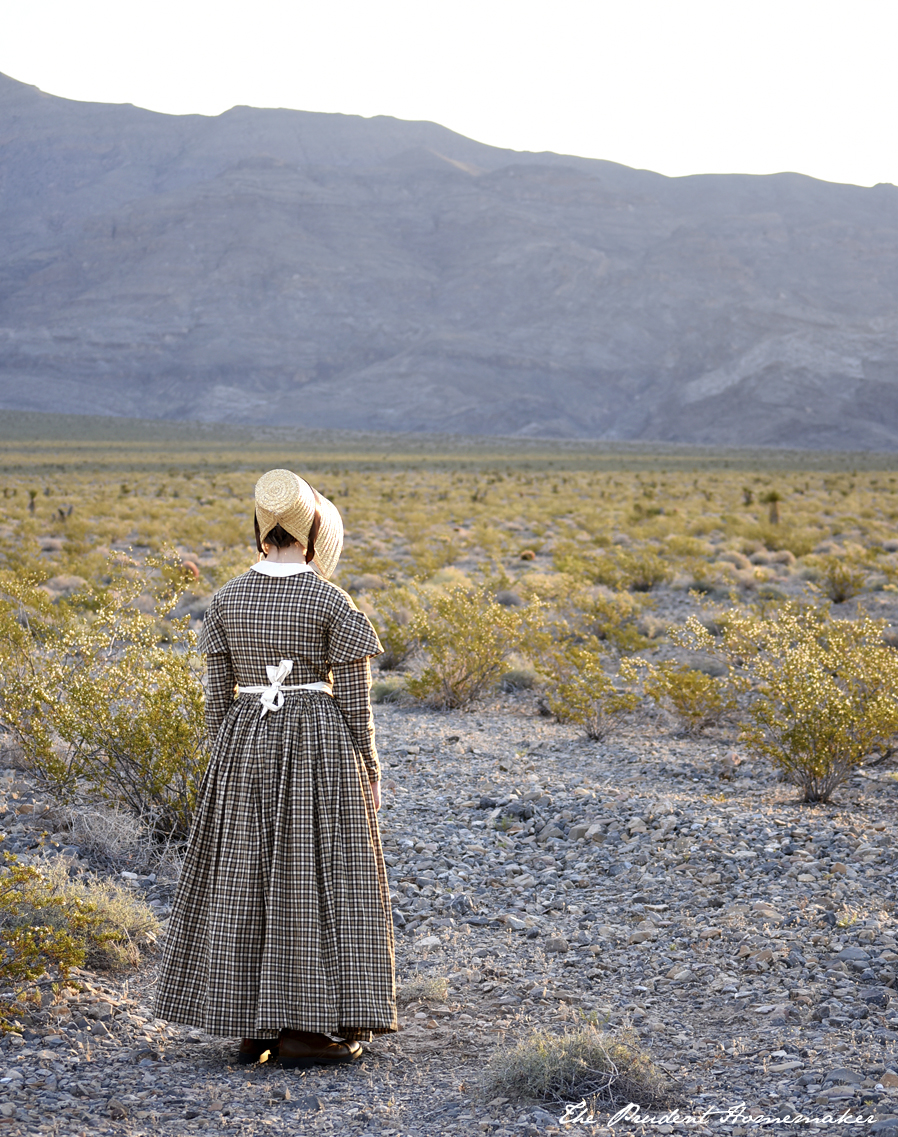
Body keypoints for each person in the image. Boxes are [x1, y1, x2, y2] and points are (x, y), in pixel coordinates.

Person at [155, 468, 397, 1068]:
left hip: (243, 742)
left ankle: (250, 1025)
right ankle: (307, 1031)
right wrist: (367, 766)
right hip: (318, 741)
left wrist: (229, 760)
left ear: (259, 531)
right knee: (316, 875)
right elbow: (358, 700)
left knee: (245, 874)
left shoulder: (227, 599)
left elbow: (215, 699)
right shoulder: (331, 599)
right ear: (315, 535)